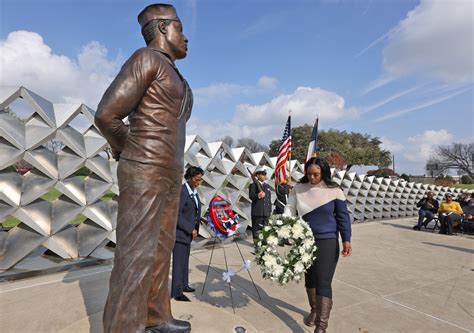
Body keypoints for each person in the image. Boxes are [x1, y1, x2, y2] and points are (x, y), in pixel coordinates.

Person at [94, 4, 193, 333]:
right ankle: (124, 327)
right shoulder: (146, 58)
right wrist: (130, 148)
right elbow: (107, 114)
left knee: (161, 250)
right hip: (146, 169)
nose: (187, 37)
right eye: (180, 28)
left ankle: (156, 317)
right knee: (136, 254)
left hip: (170, 172)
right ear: (164, 29)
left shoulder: (173, 71)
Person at [284, 157, 352, 333]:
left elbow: (343, 217)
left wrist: (346, 239)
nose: (312, 177)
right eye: (309, 174)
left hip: (327, 240)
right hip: (305, 241)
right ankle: (314, 309)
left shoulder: (334, 190)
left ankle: (321, 326)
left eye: (316, 174)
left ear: (324, 173)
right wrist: (283, 226)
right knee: (310, 279)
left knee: (323, 281)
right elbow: (290, 210)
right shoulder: (298, 189)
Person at [171, 166, 203, 302]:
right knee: (178, 263)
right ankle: (177, 292)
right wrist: (190, 228)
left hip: (188, 234)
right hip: (180, 234)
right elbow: (176, 215)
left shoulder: (194, 192)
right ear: (189, 177)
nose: (199, 182)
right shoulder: (182, 192)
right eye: (197, 179)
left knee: (185, 261)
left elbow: (193, 212)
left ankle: (184, 285)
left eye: (200, 179)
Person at [249, 166, 272, 243]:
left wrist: (269, 211)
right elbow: (251, 196)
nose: (264, 175)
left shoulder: (267, 186)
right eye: (262, 174)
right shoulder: (253, 185)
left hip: (266, 212)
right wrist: (258, 195)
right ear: (257, 175)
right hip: (257, 212)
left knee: (265, 230)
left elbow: (269, 200)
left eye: (265, 174)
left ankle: (264, 244)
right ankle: (257, 245)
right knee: (256, 230)